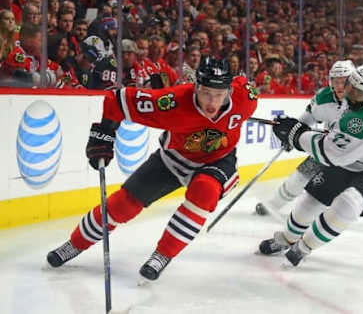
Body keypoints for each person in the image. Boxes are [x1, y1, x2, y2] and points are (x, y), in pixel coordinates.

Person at [46, 56, 258, 281]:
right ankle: (74, 244)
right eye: (206, 93)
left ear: (230, 92)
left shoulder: (246, 98)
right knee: (123, 205)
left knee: (204, 191)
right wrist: (105, 133)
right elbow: (117, 99)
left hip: (218, 161)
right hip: (172, 158)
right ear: (196, 86)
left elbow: (243, 92)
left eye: (219, 95)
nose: (212, 103)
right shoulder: (173, 102)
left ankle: (162, 255)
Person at [258, 62, 363, 266]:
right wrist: (298, 128)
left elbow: (329, 154)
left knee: (349, 203)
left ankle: (303, 247)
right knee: (311, 199)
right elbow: (313, 120)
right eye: (349, 86)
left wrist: (295, 134)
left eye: (359, 92)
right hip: (347, 153)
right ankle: (286, 237)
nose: (350, 94)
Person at [255, 60, 356, 216]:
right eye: (336, 81)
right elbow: (306, 120)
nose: (339, 86)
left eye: (344, 81)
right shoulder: (324, 98)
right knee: (303, 173)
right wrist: (292, 135)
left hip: (358, 151)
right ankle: (274, 204)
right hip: (330, 147)